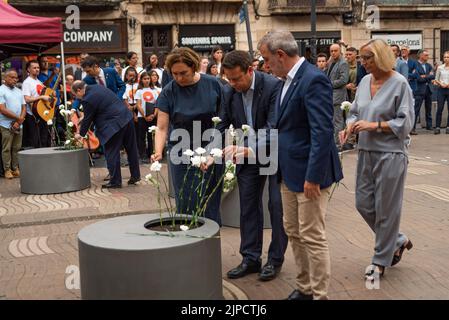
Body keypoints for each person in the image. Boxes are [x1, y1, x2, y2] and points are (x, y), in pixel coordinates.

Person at [258, 31, 343, 300]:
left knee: (312, 235)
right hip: (288, 171)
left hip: (310, 174)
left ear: (280, 55)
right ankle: (305, 287)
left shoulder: (313, 79)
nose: (265, 66)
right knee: (293, 231)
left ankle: (319, 294)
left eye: (267, 59)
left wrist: (313, 177)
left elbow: (321, 132)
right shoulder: (285, 81)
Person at [339, 39, 415, 282]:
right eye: (362, 58)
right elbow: (354, 112)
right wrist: (349, 127)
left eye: (368, 58)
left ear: (382, 57)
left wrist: (374, 125)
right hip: (366, 151)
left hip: (391, 154)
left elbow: (406, 124)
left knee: (386, 210)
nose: (363, 63)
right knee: (363, 203)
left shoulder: (399, 84)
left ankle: (380, 260)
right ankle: (398, 240)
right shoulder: (363, 81)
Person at [218, 50, 288, 281]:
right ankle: (250, 258)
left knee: (276, 207)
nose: (233, 84)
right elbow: (221, 126)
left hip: (275, 155)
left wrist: (251, 148)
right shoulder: (229, 92)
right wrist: (210, 153)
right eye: (229, 79)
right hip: (246, 156)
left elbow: (273, 125)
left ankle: (275, 260)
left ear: (251, 70)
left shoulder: (273, 86)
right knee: (248, 206)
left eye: (237, 78)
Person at [151, 47, 223, 225]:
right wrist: (158, 151)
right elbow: (161, 127)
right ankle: (188, 242)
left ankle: (209, 244)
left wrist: (214, 151)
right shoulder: (169, 90)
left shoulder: (213, 84)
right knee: (186, 199)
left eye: (183, 73)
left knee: (209, 200)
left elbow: (224, 119)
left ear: (194, 67)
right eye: (174, 74)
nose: (179, 78)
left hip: (211, 147)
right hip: (180, 151)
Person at [72, 80, 140, 188]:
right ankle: (135, 176)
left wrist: (80, 134)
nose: (78, 98)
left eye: (76, 95)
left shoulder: (87, 99)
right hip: (126, 117)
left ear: (79, 90)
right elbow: (102, 106)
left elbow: (88, 119)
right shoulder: (98, 87)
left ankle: (115, 181)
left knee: (111, 153)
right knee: (131, 149)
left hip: (113, 125)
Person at [0, 69, 26, 179]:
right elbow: (2, 109)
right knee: (7, 148)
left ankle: (15, 168)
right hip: (5, 124)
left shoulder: (19, 91)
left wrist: (19, 120)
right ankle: (7, 170)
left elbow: (24, 107)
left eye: (16, 78)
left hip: (18, 124)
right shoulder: (1, 90)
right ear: (5, 78)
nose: (15, 80)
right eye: (12, 77)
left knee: (17, 147)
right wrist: (18, 118)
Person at [22, 60, 51, 148]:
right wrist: (41, 97)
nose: (37, 69)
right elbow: (26, 99)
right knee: (36, 140)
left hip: (42, 113)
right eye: (34, 68)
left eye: (38, 67)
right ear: (28, 69)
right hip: (33, 115)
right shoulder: (27, 82)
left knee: (44, 139)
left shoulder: (39, 82)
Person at [327, 43, 349, 150]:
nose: (333, 53)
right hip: (330, 96)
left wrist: (328, 84)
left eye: (335, 51)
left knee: (338, 121)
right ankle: (334, 142)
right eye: (331, 51)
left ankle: (338, 144)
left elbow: (343, 80)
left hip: (338, 97)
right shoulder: (331, 62)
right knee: (333, 121)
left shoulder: (343, 63)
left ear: (340, 51)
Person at [135, 71, 161, 161]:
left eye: (148, 78)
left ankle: (151, 153)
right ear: (141, 80)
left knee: (151, 136)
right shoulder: (139, 91)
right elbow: (138, 105)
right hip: (142, 117)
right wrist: (144, 115)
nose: (146, 80)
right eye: (144, 79)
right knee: (141, 136)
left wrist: (154, 114)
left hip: (152, 116)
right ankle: (142, 155)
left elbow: (157, 104)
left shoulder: (154, 91)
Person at [412, 49, 435, 133]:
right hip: (419, 90)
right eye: (426, 55)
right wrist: (428, 76)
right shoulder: (415, 65)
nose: (428, 57)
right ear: (420, 56)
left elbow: (433, 76)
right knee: (416, 110)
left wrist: (424, 76)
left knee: (428, 109)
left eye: (428, 55)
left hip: (428, 90)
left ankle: (429, 126)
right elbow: (418, 78)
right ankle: (412, 128)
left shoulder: (429, 65)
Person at [433, 51, 449, 134]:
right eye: (445, 57)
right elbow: (436, 79)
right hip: (441, 90)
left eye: (448, 57)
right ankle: (437, 127)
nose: (446, 59)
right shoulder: (440, 67)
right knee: (440, 108)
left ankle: (448, 127)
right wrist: (441, 84)